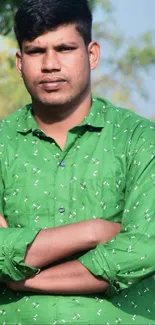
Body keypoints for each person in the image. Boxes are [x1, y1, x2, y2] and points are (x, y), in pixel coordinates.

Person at [0, 0, 155, 324]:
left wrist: (24, 279)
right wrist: (92, 231)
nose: (50, 64)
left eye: (65, 48)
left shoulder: (140, 139)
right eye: (36, 51)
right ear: (19, 61)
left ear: (92, 54)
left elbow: (143, 248)